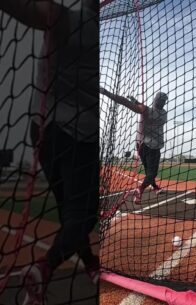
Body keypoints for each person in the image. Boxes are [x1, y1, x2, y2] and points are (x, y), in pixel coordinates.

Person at [0, 1, 99, 304]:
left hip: (41, 130)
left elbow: (44, 13)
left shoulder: (71, 20)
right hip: (76, 137)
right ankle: (44, 268)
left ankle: (91, 263)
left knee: (70, 212)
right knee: (84, 215)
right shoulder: (91, 29)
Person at [100, 88, 168, 204]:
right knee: (152, 173)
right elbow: (127, 103)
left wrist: (108, 93)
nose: (161, 102)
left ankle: (155, 187)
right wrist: (132, 101)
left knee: (149, 172)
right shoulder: (162, 113)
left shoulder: (147, 110)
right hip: (151, 147)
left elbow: (130, 104)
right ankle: (140, 189)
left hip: (141, 145)